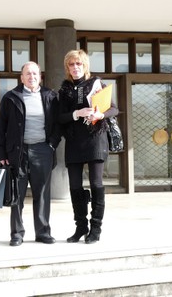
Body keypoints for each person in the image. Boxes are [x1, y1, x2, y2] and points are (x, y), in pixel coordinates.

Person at [0, 61, 61, 247]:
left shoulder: (50, 96)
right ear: (21, 77)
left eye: (35, 73)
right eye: (28, 73)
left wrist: (51, 145)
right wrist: (2, 153)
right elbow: (1, 127)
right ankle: (17, 234)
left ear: (40, 76)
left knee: (42, 194)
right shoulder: (11, 97)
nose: (32, 77)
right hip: (18, 152)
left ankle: (43, 232)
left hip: (43, 150)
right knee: (17, 195)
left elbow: (57, 125)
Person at [58, 49, 119, 244]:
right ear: (67, 68)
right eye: (71, 64)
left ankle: (95, 228)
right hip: (74, 141)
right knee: (75, 186)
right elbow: (60, 117)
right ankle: (80, 227)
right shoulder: (64, 90)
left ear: (85, 66)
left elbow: (114, 108)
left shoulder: (96, 84)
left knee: (96, 184)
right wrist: (78, 113)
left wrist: (100, 115)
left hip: (95, 139)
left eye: (79, 64)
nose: (75, 68)